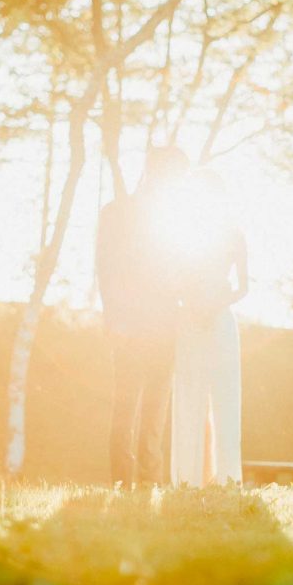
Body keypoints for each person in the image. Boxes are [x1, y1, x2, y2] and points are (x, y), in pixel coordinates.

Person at [96, 146, 190, 486]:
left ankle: (148, 484)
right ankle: (124, 482)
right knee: (126, 410)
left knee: (155, 410)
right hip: (130, 326)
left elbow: (180, 273)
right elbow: (105, 271)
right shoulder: (116, 213)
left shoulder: (176, 220)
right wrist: (114, 319)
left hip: (165, 325)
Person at [170, 169, 248, 487]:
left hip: (220, 320)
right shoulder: (184, 235)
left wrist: (215, 305)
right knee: (188, 396)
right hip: (189, 320)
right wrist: (190, 303)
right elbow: (173, 280)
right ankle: (187, 479)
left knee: (226, 396)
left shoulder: (234, 235)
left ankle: (227, 476)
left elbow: (243, 287)